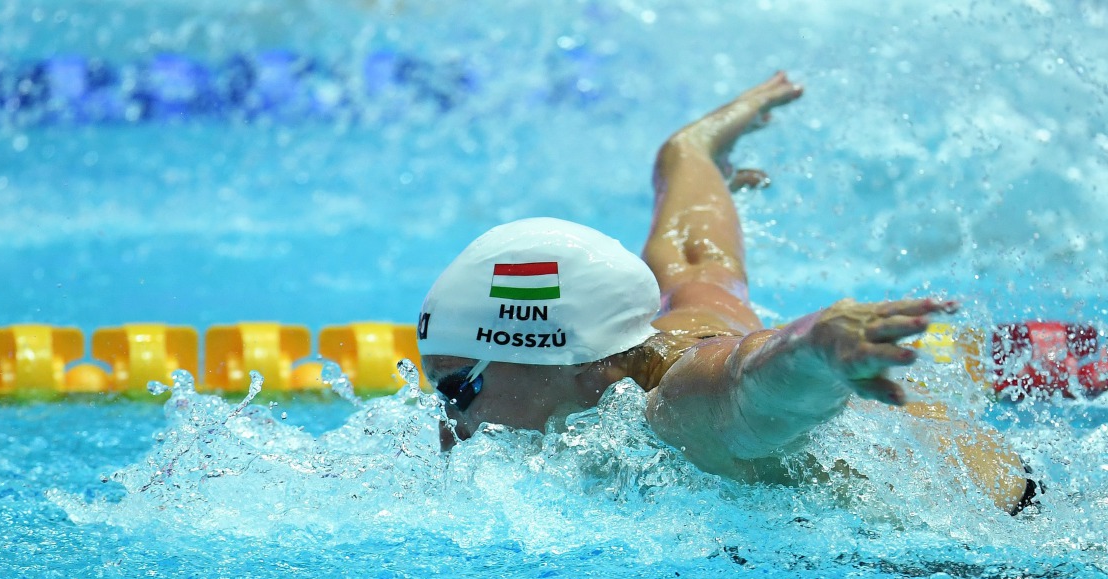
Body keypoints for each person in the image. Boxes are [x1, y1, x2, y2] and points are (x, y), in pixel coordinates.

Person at [416, 72, 1036, 514]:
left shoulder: (677, 409)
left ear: (580, 369)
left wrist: (814, 347)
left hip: (1006, 557)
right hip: (1005, 477)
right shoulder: (681, 316)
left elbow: (750, 384)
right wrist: (687, 153)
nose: (448, 426)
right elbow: (692, 250)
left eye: (457, 387)